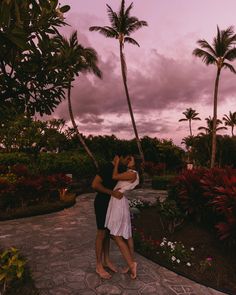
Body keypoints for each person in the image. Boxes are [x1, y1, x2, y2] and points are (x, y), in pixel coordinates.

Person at [91, 151, 131, 279]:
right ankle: (98, 265)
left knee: (108, 232)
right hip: (102, 203)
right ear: (118, 157)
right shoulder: (107, 167)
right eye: (127, 158)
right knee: (101, 233)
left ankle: (106, 260)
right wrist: (111, 193)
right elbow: (95, 185)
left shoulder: (119, 169)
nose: (128, 161)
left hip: (112, 204)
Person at [105, 155, 139, 279]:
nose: (129, 160)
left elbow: (114, 176)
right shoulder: (129, 173)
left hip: (118, 203)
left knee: (116, 235)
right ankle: (131, 264)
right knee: (127, 235)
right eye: (128, 159)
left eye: (132, 159)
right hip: (118, 201)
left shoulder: (133, 174)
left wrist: (118, 161)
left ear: (136, 163)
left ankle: (132, 264)